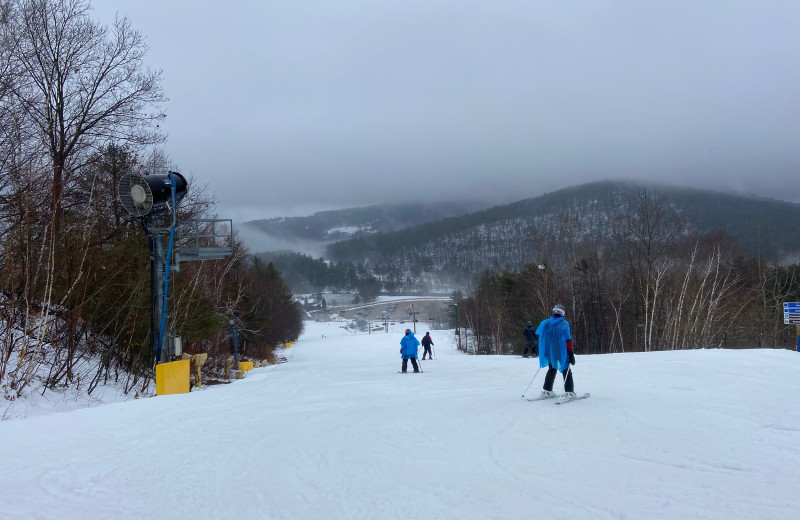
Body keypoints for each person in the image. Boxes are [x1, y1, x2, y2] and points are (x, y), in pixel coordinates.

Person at [535, 304, 577, 397]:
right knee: (566, 370)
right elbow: (568, 339)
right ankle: (569, 392)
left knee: (552, 369)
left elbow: (541, 336)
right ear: (562, 313)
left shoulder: (545, 323)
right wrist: (570, 353)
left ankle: (547, 390)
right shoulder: (564, 324)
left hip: (550, 352)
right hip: (562, 351)